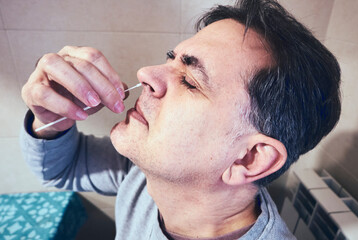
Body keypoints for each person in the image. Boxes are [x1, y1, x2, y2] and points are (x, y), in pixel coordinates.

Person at [20, 0, 341, 239]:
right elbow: (64, 168)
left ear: (249, 158)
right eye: (170, 59)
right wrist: (52, 119)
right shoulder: (145, 175)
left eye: (189, 81)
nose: (145, 74)